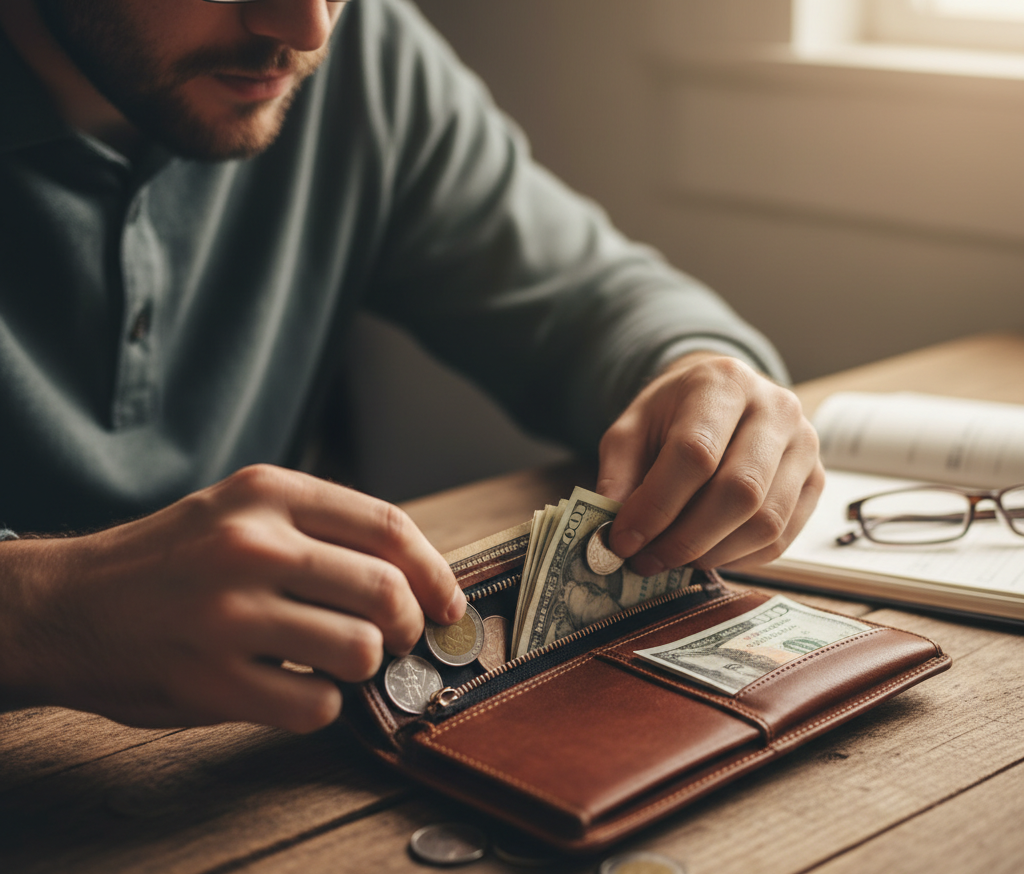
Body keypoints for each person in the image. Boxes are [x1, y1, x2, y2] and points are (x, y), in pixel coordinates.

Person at [0, 0, 824, 734]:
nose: (307, 29)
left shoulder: (363, 49)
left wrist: (707, 376)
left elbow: (589, 298)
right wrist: (45, 609)